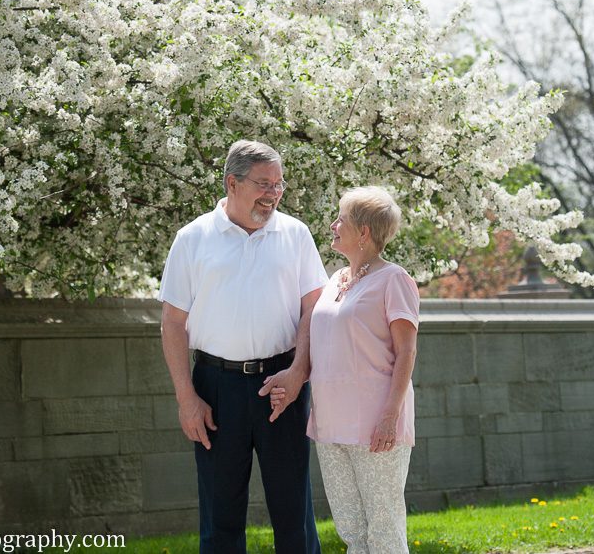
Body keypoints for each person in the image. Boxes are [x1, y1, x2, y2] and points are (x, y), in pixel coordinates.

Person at [158, 140, 328, 554]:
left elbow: (314, 310)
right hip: (215, 389)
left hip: (282, 385)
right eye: (263, 183)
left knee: (294, 512)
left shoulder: (296, 234)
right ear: (232, 183)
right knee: (220, 515)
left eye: (279, 184)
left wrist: (299, 371)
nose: (273, 193)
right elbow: (173, 323)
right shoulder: (193, 238)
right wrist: (187, 398)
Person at [268, 185, 419, 554]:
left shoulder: (394, 280)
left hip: (375, 426)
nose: (333, 225)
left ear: (364, 232)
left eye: (341, 219)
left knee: (383, 528)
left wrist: (389, 415)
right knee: (352, 530)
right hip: (331, 425)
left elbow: (407, 352)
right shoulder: (334, 281)